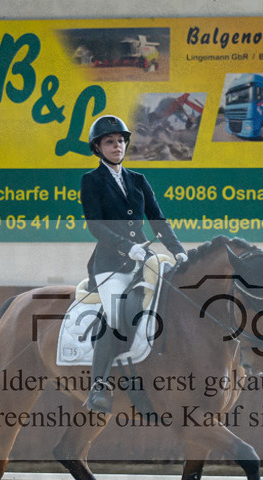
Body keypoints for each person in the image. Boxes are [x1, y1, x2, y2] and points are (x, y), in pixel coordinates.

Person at [81, 114, 188, 413]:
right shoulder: (91, 181)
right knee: (116, 317)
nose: (117, 146)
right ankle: (99, 386)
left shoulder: (138, 179)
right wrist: (127, 247)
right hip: (109, 264)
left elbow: (157, 219)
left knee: (167, 302)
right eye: (109, 142)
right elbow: (96, 226)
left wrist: (179, 251)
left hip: (145, 260)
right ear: (98, 148)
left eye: (120, 141)